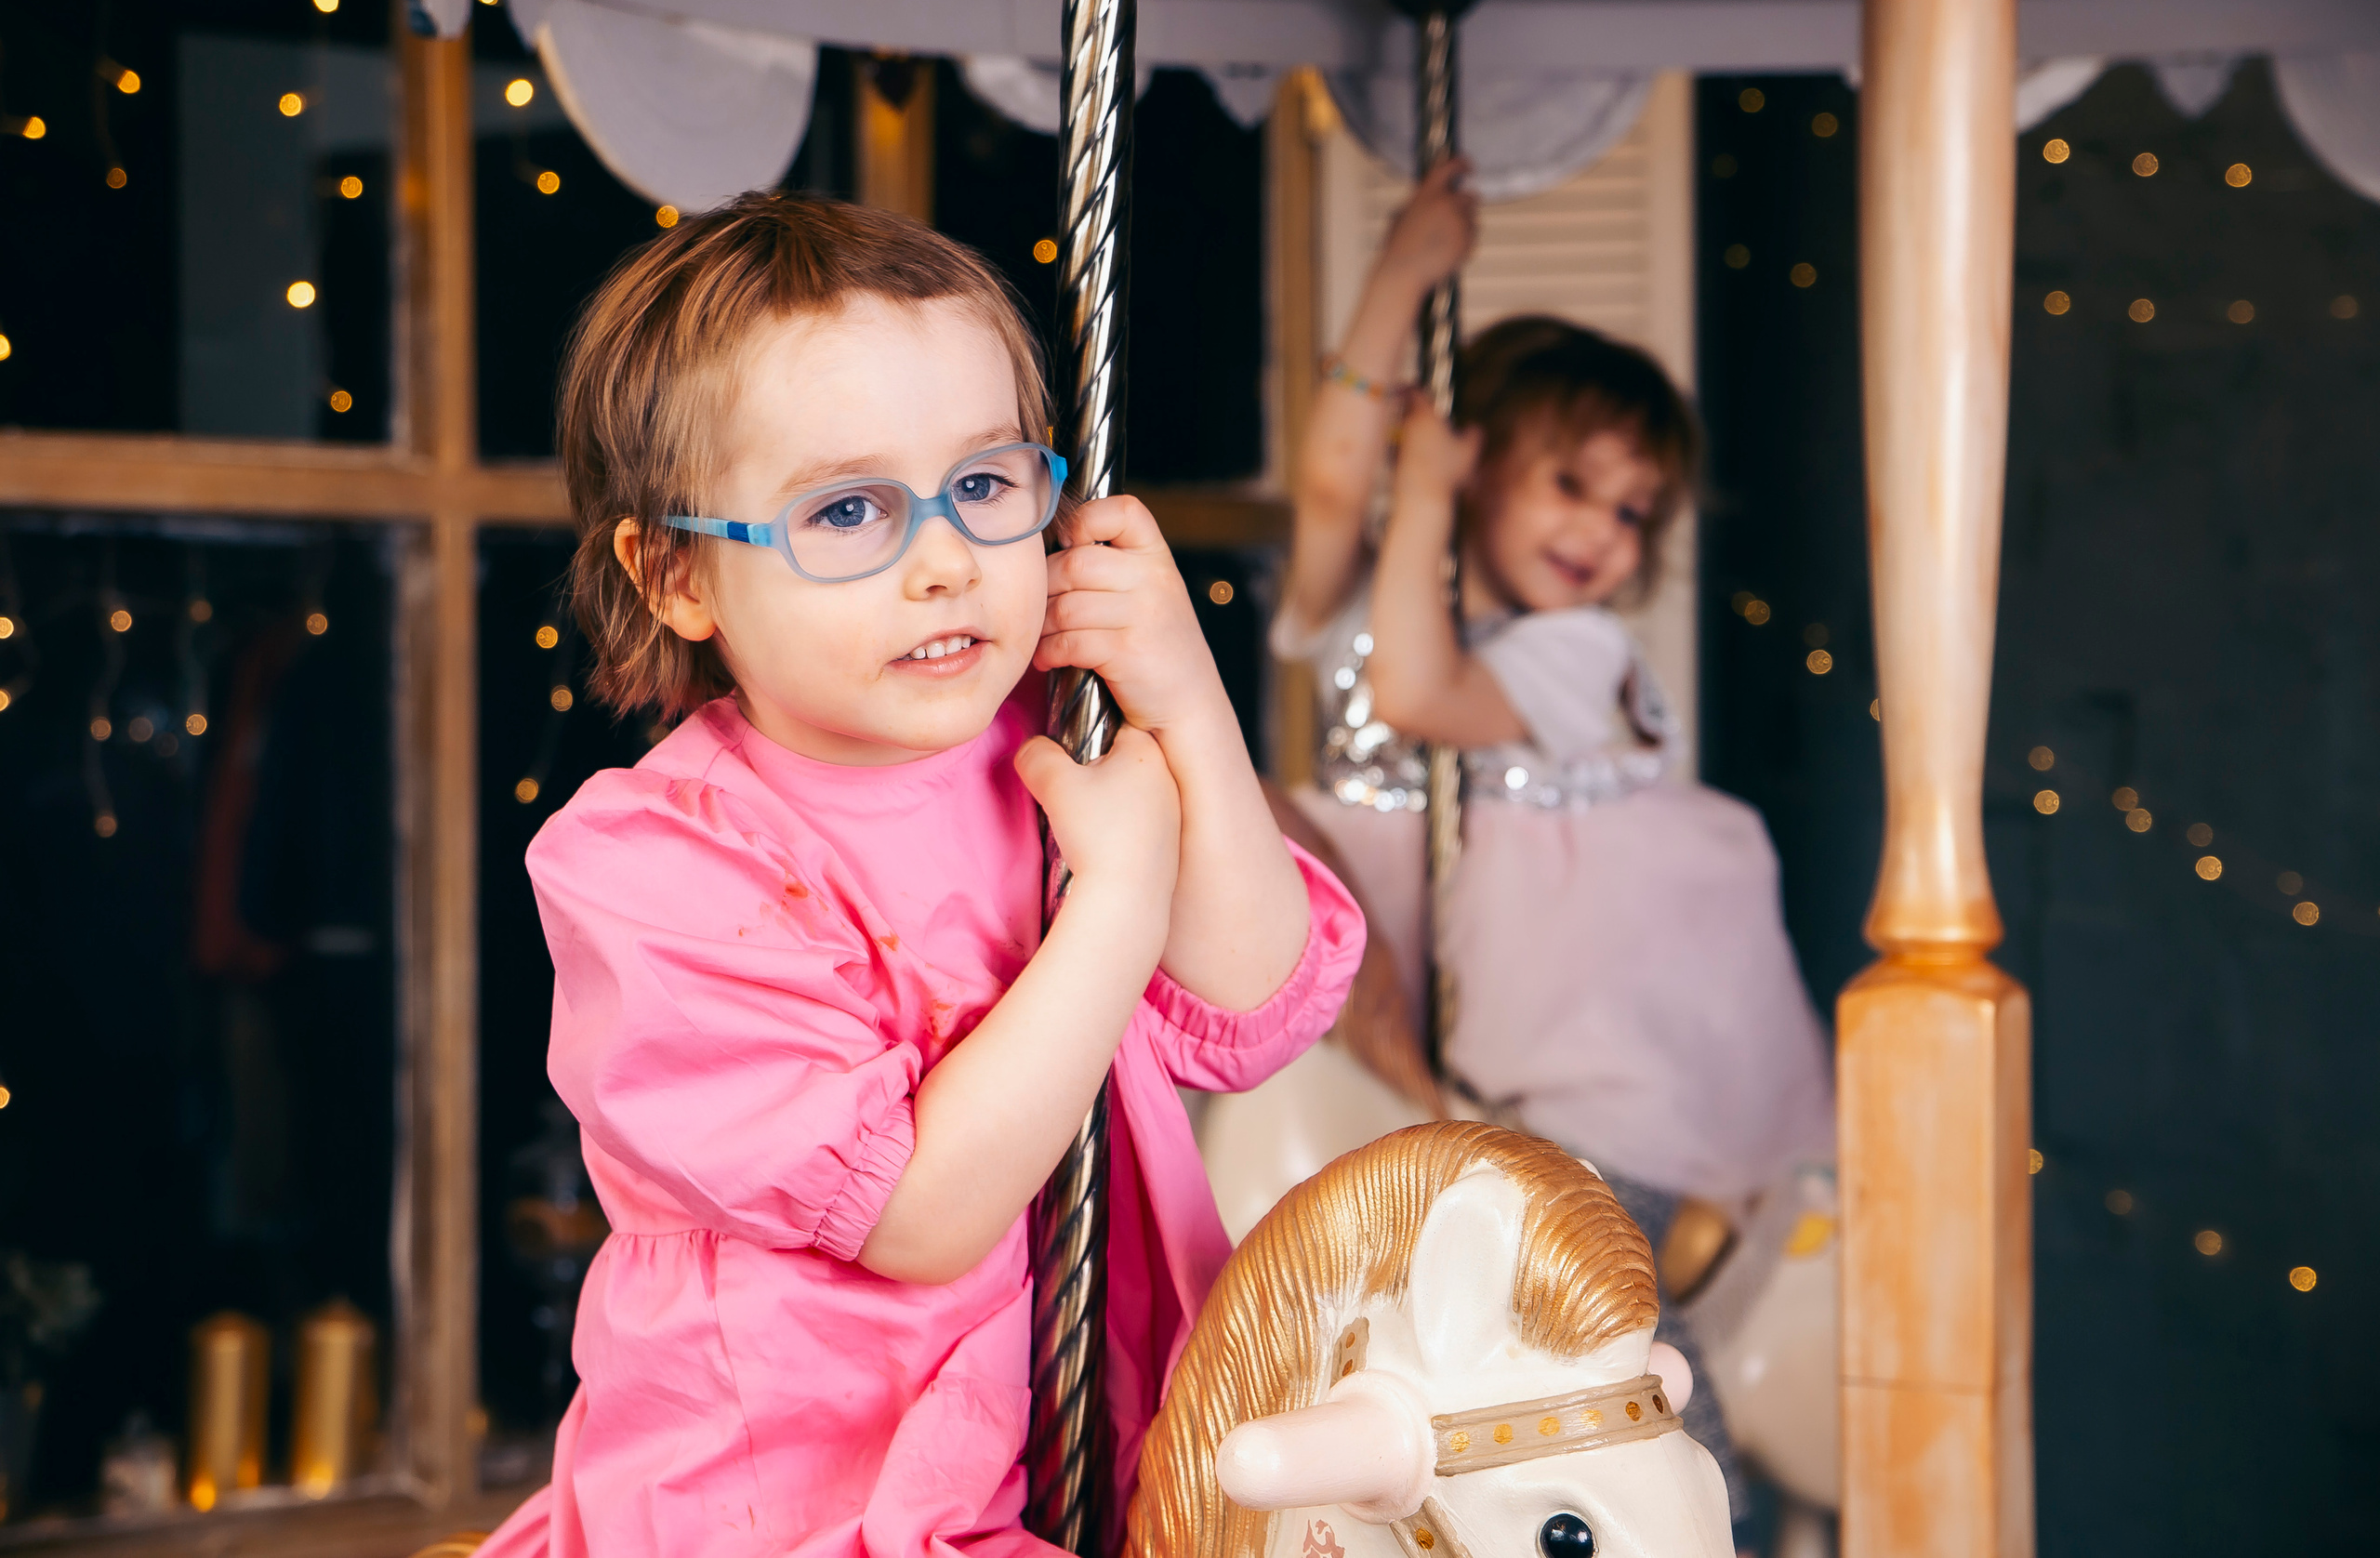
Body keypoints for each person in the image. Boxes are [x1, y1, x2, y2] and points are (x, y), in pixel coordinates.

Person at [474, 193, 1363, 1558]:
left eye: (987, 486)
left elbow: (1260, 1005)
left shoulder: (1063, 747)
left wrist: (1184, 700)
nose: (946, 562)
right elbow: (919, 1213)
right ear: (676, 573)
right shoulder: (661, 865)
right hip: (813, 1485)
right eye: (846, 510)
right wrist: (1116, 902)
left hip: (1093, 1430)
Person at [1273, 159, 1833, 1538]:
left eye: (1632, 510)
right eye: (1571, 482)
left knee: (1585, 1292)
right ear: (1483, 463)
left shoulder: (1581, 656)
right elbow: (1331, 481)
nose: (1601, 530)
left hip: (1576, 1036)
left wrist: (1426, 497)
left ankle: (1704, 1510)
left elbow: (1418, 694)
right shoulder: (1379, 589)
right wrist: (1405, 273)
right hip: (1373, 997)